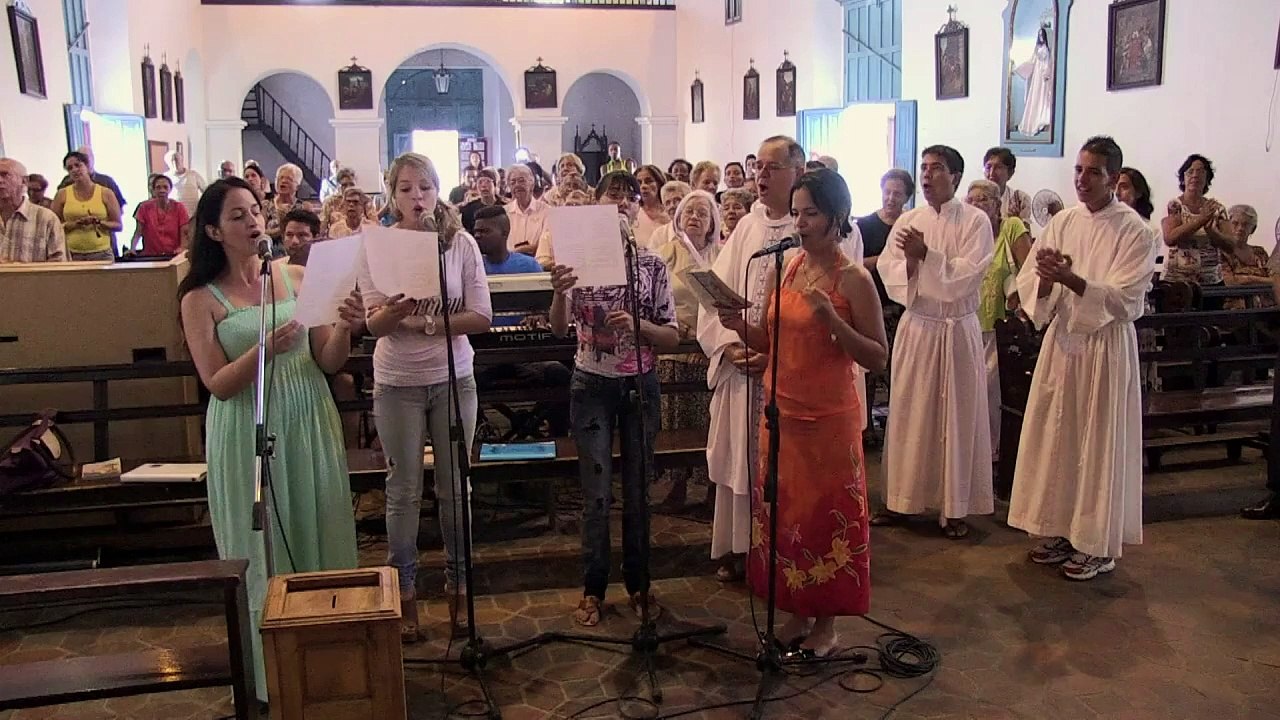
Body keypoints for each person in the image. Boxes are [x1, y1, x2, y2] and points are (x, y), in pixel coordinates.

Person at [177, 177, 360, 702]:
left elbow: (328, 360)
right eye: (237, 215)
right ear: (214, 231)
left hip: (307, 416)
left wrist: (344, 327)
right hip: (247, 425)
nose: (253, 221)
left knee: (318, 528)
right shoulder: (199, 298)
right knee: (264, 549)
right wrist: (265, 349)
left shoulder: (298, 276)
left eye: (255, 210)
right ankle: (271, 679)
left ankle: (332, 672)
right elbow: (216, 382)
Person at [715, 168, 887, 657]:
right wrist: (737, 324)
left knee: (823, 520)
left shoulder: (853, 279)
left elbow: (878, 356)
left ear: (837, 216)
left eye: (810, 213)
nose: (800, 223)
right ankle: (796, 612)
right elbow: (770, 340)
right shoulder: (785, 269)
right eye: (796, 213)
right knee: (784, 516)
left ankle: (826, 626)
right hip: (780, 415)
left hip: (827, 422)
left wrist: (833, 320)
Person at [696, 137, 866, 588]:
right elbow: (724, 300)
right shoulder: (751, 233)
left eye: (772, 167)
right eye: (758, 167)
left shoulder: (837, 248)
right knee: (752, 471)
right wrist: (730, 340)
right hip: (751, 378)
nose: (761, 175)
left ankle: (805, 574)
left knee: (805, 489)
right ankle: (749, 552)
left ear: (799, 171)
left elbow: (852, 330)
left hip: (808, 389)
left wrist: (775, 351)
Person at [1007, 136, 1157, 580]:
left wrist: (1071, 279)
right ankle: (1060, 528)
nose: (1082, 179)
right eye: (1078, 169)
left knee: (1096, 443)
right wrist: (1047, 280)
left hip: (1104, 348)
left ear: (1114, 177)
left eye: (1093, 172)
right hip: (1064, 344)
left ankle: (1096, 543)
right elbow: (1034, 285)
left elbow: (1125, 299)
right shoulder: (1063, 221)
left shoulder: (1135, 231)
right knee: (1059, 438)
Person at [358, 152, 492, 642]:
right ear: (392, 195)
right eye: (407, 188)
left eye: (426, 187)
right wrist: (396, 313)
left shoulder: (459, 243)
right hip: (398, 382)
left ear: (438, 192)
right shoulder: (377, 246)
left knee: (456, 488)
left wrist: (426, 323)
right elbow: (373, 325)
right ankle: (405, 594)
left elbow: (481, 316)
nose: (418, 196)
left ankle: (460, 588)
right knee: (404, 491)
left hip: (454, 377)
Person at [548, 170, 678, 627]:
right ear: (596, 204)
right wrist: (559, 292)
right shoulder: (577, 262)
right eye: (613, 195)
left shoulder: (652, 265)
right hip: (591, 384)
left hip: (639, 384)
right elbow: (558, 327)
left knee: (639, 491)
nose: (621, 202)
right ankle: (593, 587)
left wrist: (641, 328)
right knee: (597, 494)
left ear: (638, 208)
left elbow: (671, 335)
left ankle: (640, 583)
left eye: (630, 196)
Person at [875, 145, 994, 539]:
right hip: (919, 327)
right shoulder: (910, 219)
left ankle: (954, 506)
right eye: (923, 168)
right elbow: (889, 269)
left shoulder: (976, 221)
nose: (927, 175)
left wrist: (927, 253)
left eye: (937, 168)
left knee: (955, 416)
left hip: (955, 329)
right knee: (910, 414)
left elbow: (967, 275)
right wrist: (912, 262)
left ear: (955, 177)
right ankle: (902, 500)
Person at [472, 204, 571, 435]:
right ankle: (481, 434)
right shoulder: (472, 268)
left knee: (559, 373)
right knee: (462, 378)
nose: (478, 236)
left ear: (504, 233)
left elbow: (546, 310)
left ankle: (558, 436)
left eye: (485, 231)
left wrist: (539, 316)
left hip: (526, 354)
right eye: (476, 231)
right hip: (482, 355)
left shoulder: (529, 265)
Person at [655, 190, 720, 515]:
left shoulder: (722, 254)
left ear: (712, 223)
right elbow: (652, 294)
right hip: (675, 349)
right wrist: (672, 321)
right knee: (676, 421)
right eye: (688, 212)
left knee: (711, 422)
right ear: (678, 218)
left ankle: (713, 489)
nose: (694, 217)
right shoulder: (664, 252)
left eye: (702, 213)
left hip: (711, 349)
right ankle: (676, 486)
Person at [967, 178, 1032, 460]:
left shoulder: (1011, 227)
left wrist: (1020, 298)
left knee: (990, 391)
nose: (976, 205)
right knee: (971, 390)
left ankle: (991, 452)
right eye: (971, 200)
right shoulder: (966, 233)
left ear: (997, 204)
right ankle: (972, 451)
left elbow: (1029, 269)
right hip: (969, 322)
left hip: (1000, 325)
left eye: (983, 199)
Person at [1161, 154, 1235, 296]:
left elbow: (1231, 246)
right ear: (1183, 178)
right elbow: (1170, 238)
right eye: (1190, 171)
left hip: (1211, 281)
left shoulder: (1217, 208)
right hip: (1178, 282)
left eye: (1200, 172)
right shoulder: (1175, 205)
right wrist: (1201, 219)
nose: (1195, 175)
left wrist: (1212, 232)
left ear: (1207, 179)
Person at [52, 150, 122, 261]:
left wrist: (98, 222)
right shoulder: (62, 194)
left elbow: (118, 225)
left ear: (87, 166)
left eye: (78, 165)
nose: (74, 170)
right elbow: (54, 226)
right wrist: (75, 224)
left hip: (102, 253)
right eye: (70, 168)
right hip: (72, 253)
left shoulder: (106, 193)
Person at [0, 158, 66, 262]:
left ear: (24, 181)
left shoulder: (46, 219)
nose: (0, 180)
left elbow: (59, 265)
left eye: (5, 175)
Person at [1219, 204, 1271, 309]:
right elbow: (1229, 282)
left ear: (1253, 229)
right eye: (1235, 223)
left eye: (1246, 224)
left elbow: (1275, 278)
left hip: (1266, 310)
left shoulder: (1260, 253)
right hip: (1233, 311)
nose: (1240, 228)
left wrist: (1246, 279)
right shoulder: (1220, 252)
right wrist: (1259, 280)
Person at [1116, 167, 1164, 279]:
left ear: (1138, 193)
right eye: (1114, 186)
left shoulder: (1150, 229)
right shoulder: (1105, 224)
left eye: (1124, 187)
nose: (1117, 193)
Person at [130, 173, 189, 257]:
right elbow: (138, 232)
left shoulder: (179, 207)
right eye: (158, 187)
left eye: (165, 187)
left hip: (174, 255)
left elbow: (185, 233)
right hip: (151, 256)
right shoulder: (144, 207)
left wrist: (182, 248)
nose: (162, 190)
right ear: (153, 190)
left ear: (170, 189)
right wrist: (132, 249)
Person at [57, 145, 126, 210]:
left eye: (85, 158)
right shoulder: (66, 182)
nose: (75, 169)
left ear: (93, 159)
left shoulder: (107, 181)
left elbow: (120, 207)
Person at [1017, 26, 1054, 137]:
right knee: (1035, 95)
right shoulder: (1037, 48)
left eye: (1042, 35)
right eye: (1039, 35)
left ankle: (1042, 118)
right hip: (1037, 75)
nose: (1041, 37)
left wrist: (1046, 72)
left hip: (1042, 74)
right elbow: (1032, 61)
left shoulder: (1047, 49)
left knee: (1042, 96)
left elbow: (1047, 61)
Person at [505, 164, 549, 256]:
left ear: (532, 184)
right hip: (510, 261)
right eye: (513, 182)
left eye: (521, 181)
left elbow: (547, 243)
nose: (517, 185)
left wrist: (521, 251)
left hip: (538, 260)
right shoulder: (504, 212)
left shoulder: (547, 211)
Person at [265, 164, 306, 255]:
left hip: (296, 253)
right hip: (269, 253)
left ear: (297, 186)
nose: (283, 181)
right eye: (280, 178)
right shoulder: (265, 205)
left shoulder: (303, 207)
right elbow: (260, 233)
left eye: (289, 179)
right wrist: (281, 229)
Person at [983, 147, 1032, 223]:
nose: (991, 173)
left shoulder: (1020, 199)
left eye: (998, 167)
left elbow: (1026, 229)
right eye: (988, 167)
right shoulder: (973, 199)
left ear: (1010, 173)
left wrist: (1017, 221)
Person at [633, 165, 669, 248]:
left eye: (649, 181)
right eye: (639, 183)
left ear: (659, 183)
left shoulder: (670, 212)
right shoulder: (633, 214)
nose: (643, 186)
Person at [459, 168, 502, 233]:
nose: (483, 186)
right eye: (480, 182)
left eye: (488, 181)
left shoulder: (504, 207)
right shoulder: (469, 209)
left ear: (495, 185)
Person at [167, 150, 207, 219]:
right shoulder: (166, 177)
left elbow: (206, 191)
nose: (175, 163)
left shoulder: (193, 174)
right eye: (172, 160)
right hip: (174, 217)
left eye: (177, 159)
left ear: (182, 160)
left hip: (193, 216)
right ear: (168, 163)